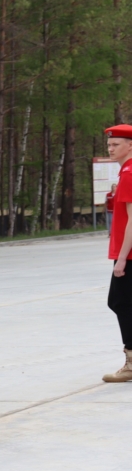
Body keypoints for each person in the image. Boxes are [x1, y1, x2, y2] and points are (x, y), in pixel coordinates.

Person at [103, 124, 132, 382]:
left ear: (130, 146)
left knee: (120, 302)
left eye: (116, 144)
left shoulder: (130, 173)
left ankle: (131, 362)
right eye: (109, 145)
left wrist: (121, 258)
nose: (110, 148)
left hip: (130, 254)